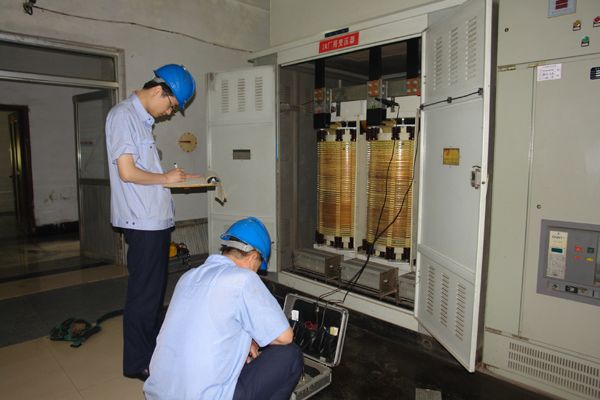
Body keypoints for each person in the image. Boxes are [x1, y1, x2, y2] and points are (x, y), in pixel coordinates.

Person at [144, 217, 304, 400]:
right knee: (290, 355)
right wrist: (258, 338)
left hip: (159, 395)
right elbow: (285, 337)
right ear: (253, 257)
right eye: (258, 266)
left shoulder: (188, 277)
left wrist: (248, 340)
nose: (257, 271)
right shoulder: (244, 279)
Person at [105, 64, 196, 381]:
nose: (169, 113)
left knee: (153, 295)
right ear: (159, 90)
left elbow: (143, 172)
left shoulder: (141, 122)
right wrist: (165, 178)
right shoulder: (123, 116)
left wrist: (171, 180)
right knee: (144, 296)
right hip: (142, 223)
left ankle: (152, 352)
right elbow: (127, 171)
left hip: (153, 222)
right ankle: (137, 363)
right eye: (170, 106)